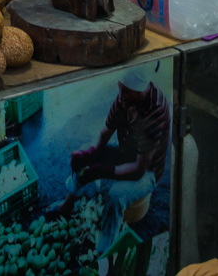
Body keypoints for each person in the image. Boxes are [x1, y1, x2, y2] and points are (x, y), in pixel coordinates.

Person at [53, 77, 170, 254]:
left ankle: (104, 249)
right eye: (120, 88)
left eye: (127, 92)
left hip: (148, 171)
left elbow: (139, 169)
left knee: (116, 194)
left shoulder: (156, 111)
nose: (121, 96)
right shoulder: (123, 99)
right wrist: (89, 155)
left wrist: (101, 171)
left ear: (141, 91)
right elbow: (105, 133)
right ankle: (67, 204)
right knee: (86, 161)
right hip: (126, 153)